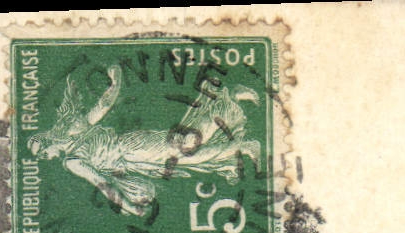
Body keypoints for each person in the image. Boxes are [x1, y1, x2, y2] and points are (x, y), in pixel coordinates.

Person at [28, 65, 263, 217]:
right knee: (190, 158)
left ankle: (227, 99)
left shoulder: (72, 150)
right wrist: (129, 205)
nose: (46, 158)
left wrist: (116, 82)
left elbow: (102, 182)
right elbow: (104, 182)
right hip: (134, 161)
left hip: (131, 147)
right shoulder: (73, 149)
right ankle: (245, 147)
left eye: (42, 153)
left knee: (187, 145)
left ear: (48, 142)